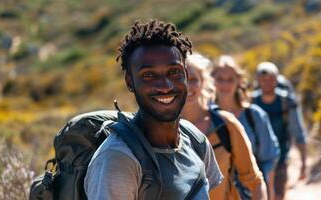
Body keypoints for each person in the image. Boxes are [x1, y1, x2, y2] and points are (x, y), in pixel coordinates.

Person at [84, 20, 223, 200]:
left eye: (174, 72)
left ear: (186, 76)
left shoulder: (196, 141)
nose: (165, 86)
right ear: (130, 82)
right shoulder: (118, 158)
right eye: (148, 75)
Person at [181, 53, 267, 200]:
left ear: (204, 82)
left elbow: (255, 181)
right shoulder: (162, 129)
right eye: (181, 78)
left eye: (194, 79)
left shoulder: (226, 125)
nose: (188, 85)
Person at [211, 55, 280, 199]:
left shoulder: (255, 116)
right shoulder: (204, 118)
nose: (225, 84)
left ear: (239, 81)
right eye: (220, 79)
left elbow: (269, 159)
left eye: (230, 79)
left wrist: (269, 193)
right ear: (211, 81)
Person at [253, 61, 307, 200]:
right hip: (255, 160)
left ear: (277, 79)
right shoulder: (250, 102)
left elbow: (298, 132)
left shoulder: (286, 102)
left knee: (277, 195)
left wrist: (303, 164)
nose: (267, 83)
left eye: (271, 79)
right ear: (258, 81)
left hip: (280, 159)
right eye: (263, 79)